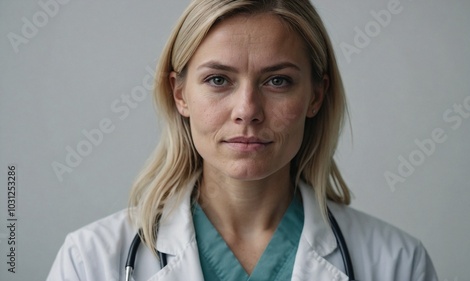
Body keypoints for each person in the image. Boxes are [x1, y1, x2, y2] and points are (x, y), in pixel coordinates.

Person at [47, 0, 438, 280]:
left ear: (315, 96)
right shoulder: (90, 261)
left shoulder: (397, 264)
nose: (247, 109)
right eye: (218, 80)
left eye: (278, 81)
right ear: (180, 94)